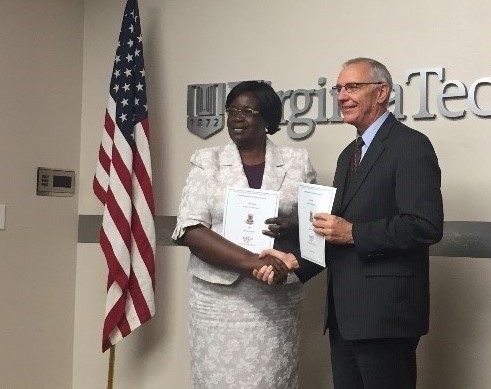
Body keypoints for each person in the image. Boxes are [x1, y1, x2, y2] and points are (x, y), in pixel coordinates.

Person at [257, 58, 443, 388]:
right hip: (345, 316)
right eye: (339, 88)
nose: (342, 95)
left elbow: (424, 225)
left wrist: (354, 232)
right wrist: (292, 263)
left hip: (387, 317)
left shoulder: (411, 146)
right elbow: (335, 232)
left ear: (382, 92)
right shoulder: (348, 154)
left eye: (352, 87)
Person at [172, 80, 316, 388]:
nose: (237, 117)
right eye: (232, 110)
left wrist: (288, 256)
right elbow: (190, 229)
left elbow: (313, 228)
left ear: (267, 119)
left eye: (247, 110)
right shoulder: (206, 161)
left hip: (275, 300)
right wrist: (253, 263)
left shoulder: (297, 162)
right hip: (218, 304)